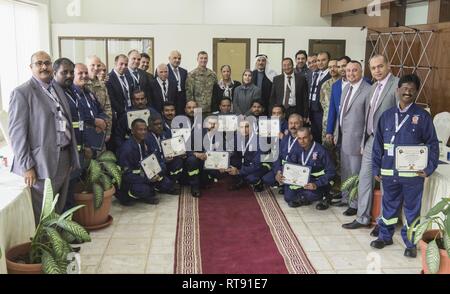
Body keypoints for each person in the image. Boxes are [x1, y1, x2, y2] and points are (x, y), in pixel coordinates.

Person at [370, 74, 439, 258]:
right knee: (389, 207)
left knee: (411, 210)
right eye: (404, 88)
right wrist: (376, 168)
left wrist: (429, 168)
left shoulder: (422, 116)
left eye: (412, 89)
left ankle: (410, 243)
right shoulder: (386, 116)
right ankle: (385, 236)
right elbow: (377, 145)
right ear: (397, 90)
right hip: (388, 171)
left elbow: (432, 144)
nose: (407, 92)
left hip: (412, 175)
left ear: (416, 92)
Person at [9, 51, 80, 223]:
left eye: (47, 63)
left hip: (63, 156)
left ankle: (58, 244)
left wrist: (71, 155)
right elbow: (17, 134)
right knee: (42, 211)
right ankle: (45, 247)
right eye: (38, 63)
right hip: (40, 162)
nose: (43, 67)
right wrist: (27, 166)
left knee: (58, 205)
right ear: (31, 67)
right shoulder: (22, 93)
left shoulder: (56, 88)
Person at [343, 55, 399, 231]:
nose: (377, 70)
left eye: (380, 66)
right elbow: (367, 118)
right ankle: (362, 217)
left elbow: (400, 115)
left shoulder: (397, 85)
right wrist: (363, 141)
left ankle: (382, 223)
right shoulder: (374, 87)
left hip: (388, 142)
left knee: (384, 183)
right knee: (365, 179)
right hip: (370, 140)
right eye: (373, 68)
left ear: (388, 65)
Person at [333, 61, 371, 216]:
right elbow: (340, 114)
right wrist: (336, 133)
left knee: (355, 174)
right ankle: (345, 197)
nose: (350, 73)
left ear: (361, 71)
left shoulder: (368, 90)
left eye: (354, 70)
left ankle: (354, 205)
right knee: (345, 170)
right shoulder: (346, 88)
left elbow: (368, 120)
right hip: (343, 137)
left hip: (357, 141)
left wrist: (364, 142)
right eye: (348, 71)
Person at [276, 127, 335, 208]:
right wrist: (280, 173)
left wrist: (316, 184)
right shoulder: (296, 149)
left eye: (304, 138)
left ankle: (323, 194)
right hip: (301, 180)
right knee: (288, 197)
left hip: (317, 180)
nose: (302, 141)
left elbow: (331, 171)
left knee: (312, 193)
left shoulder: (321, 151)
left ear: (310, 137)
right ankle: (304, 198)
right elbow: (289, 164)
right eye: (299, 138)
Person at [117, 119, 160, 206]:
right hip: (127, 181)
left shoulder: (144, 143)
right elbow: (126, 175)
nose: (143, 132)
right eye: (140, 130)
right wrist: (147, 180)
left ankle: (145, 192)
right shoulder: (127, 149)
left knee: (162, 183)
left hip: (141, 176)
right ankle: (125, 196)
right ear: (132, 131)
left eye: (145, 129)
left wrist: (155, 173)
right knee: (145, 190)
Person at [72, 63, 109, 154]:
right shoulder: (71, 94)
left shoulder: (89, 92)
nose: (84, 76)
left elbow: (100, 109)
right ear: (73, 75)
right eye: (80, 73)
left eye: (86, 73)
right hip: (83, 141)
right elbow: (76, 115)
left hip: (97, 137)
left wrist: (102, 121)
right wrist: (94, 121)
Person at [262, 113, 303, 191]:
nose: (293, 125)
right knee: (266, 179)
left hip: (294, 171)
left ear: (301, 124)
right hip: (282, 169)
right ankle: (283, 184)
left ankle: (286, 186)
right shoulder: (285, 139)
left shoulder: (303, 140)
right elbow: (277, 156)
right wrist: (278, 171)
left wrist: (283, 170)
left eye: (296, 123)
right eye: (291, 123)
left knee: (289, 197)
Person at [227, 120, 270, 192]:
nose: (244, 129)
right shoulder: (237, 137)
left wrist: (239, 171)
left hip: (261, 165)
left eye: (247, 126)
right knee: (229, 161)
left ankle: (258, 183)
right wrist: (223, 163)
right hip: (247, 162)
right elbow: (229, 151)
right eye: (241, 127)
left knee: (251, 178)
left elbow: (257, 165)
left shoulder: (260, 140)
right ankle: (241, 179)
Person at [145, 115, 182, 194]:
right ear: (149, 127)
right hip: (155, 167)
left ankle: (172, 182)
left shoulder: (164, 134)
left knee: (177, 161)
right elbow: (149, 161)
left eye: (160, 124)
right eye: (156, 124)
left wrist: (178, 153)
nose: (159, 126)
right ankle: (160, 185)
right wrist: (163, 160)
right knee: (162, 166)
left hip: (165, 163)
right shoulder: (146, 139)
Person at [86, 56, 113, 144]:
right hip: (86, 130)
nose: (96, 68)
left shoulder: (102, 85)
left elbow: (107, 109)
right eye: (92, 65)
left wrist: (108, 131)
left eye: (98, 65)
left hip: (101, 129)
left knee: (100, 156)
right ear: (87, 66)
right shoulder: (82, 84)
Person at [325, 56, 351, 146]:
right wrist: (329, 131)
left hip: (355, 131)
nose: (341, 69)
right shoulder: (335, 85)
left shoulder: (365, 83)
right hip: (339, 129)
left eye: (344, 66)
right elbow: (332, 110)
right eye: (339, 67)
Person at [308, 52, 331, 144]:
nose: (320, 63)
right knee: (315, 136)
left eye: (323, 60)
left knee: (324, 138)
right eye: (318, 60)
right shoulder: (315, 74)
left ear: (328, 61)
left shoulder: (330, 75)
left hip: (323, 112)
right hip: (313, 111)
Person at [106, 54, 134, 119]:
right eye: (121, 64)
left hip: (131, 111)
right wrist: (122, 112)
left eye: (126, 64)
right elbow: (111, 99)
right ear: (115, 63)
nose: (124, 66)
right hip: (118, 114)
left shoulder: (129, 77)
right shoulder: (109, 78)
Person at [319, 59, 339, 144]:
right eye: (330, 67)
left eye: (334, 66)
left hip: (340, 122)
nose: (332, 69)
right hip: (327, 122)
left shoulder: (345, 83)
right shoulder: (325, 84)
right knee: (327, 147)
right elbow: (322, 102)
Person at [167, 50, 188, 115]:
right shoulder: (164, 70)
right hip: (170, 101)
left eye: (179, 58)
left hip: (182, 102)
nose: (177, 60)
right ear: (169, 58)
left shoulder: (184, 71)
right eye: (175, 58)